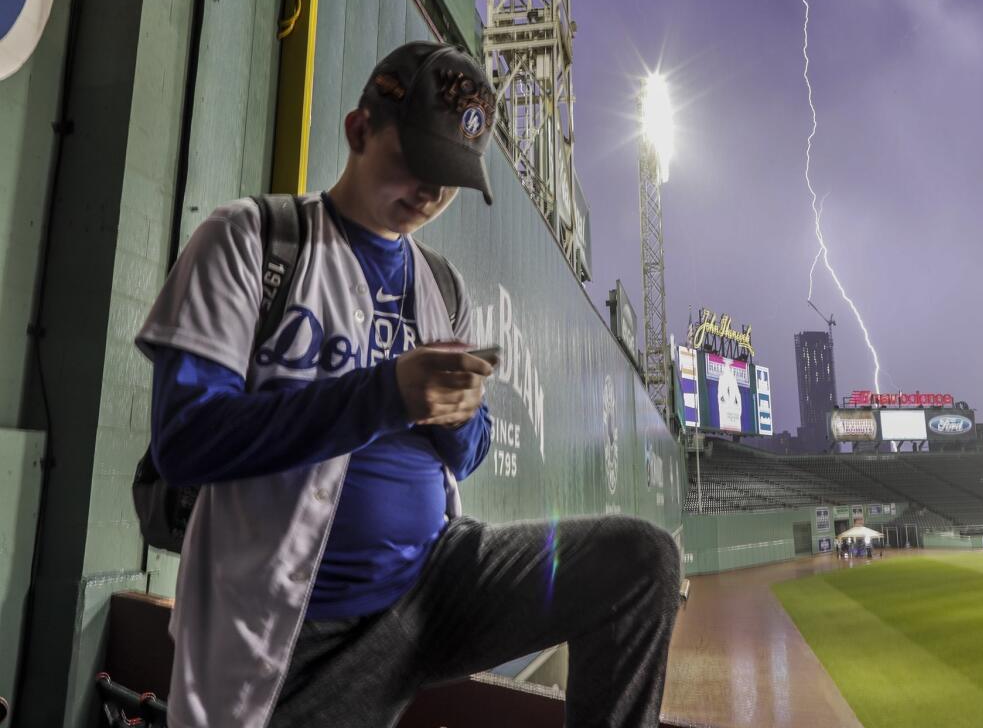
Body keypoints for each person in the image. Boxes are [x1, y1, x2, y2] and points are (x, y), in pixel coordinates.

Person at [137, 42, 681, 728]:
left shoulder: (440, 283)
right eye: (418, 161)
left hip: (432, 582)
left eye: (450, 176)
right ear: (359, 130)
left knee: (640, 564)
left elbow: (467, 452)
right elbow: (185, 440)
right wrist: (385, 394)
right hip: (300, 629)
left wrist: (461, 421)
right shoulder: (252, 240)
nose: (430, 191)